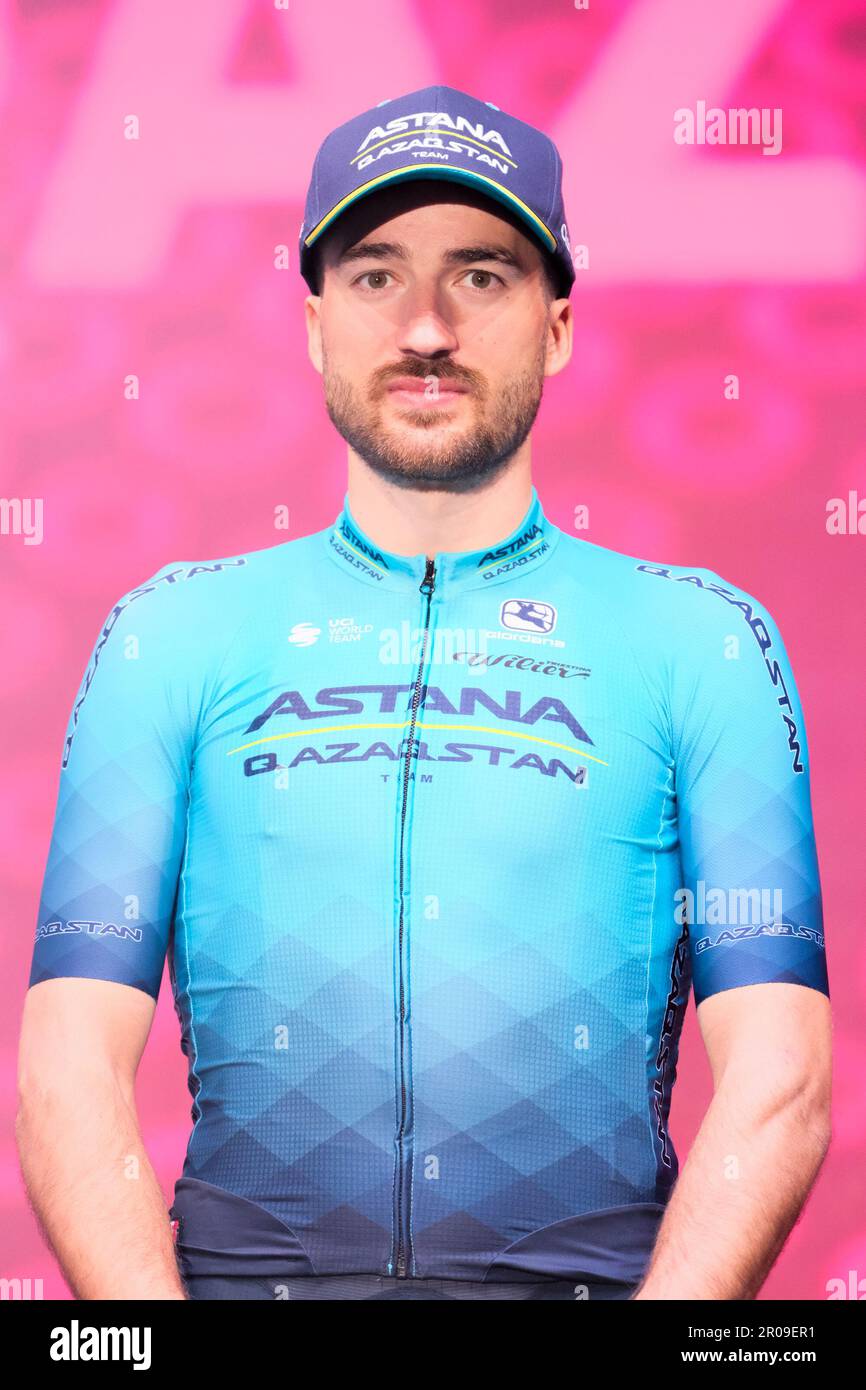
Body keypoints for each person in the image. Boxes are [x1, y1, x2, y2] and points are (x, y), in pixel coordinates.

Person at [17, 86, 831, 1302]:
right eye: (376, 276)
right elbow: (65, 1067)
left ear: (558, 324)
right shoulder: (168, 633)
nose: (427, 328)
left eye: (481, 276)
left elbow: (783, 1080)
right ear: (314, 324)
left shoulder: (701, 639)